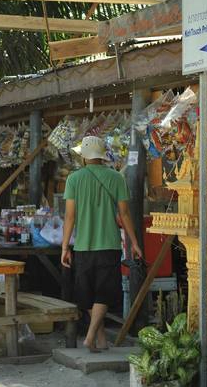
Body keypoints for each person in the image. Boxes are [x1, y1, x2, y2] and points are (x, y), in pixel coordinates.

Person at [61, 136, 143, 353]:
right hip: (109, 245)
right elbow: (124, 214)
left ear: (84, 157)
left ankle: (89, 337)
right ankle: (100, 339)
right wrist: (134, 243)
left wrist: (64, 247)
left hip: (83, 246)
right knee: (103, 293)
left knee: (88, 294)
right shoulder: (116, 178)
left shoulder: (73, 179)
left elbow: (69, 217)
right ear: (101, 155)